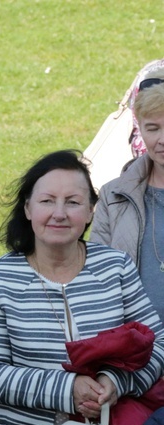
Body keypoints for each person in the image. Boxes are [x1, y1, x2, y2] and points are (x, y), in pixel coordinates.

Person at [0, 149, 164, 425]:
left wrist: (114, 382)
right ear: (28, 209)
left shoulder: (115, 267)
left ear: (91, 210)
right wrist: (67, 389)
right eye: (47, 201)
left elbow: (158, 346)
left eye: (73, 202)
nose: (59, 213)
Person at [91, 69, 164, 324]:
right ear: (140, 129)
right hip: (135, 350)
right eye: (152, 128)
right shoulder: (114, 195)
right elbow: (96, 277)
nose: (162, 140)